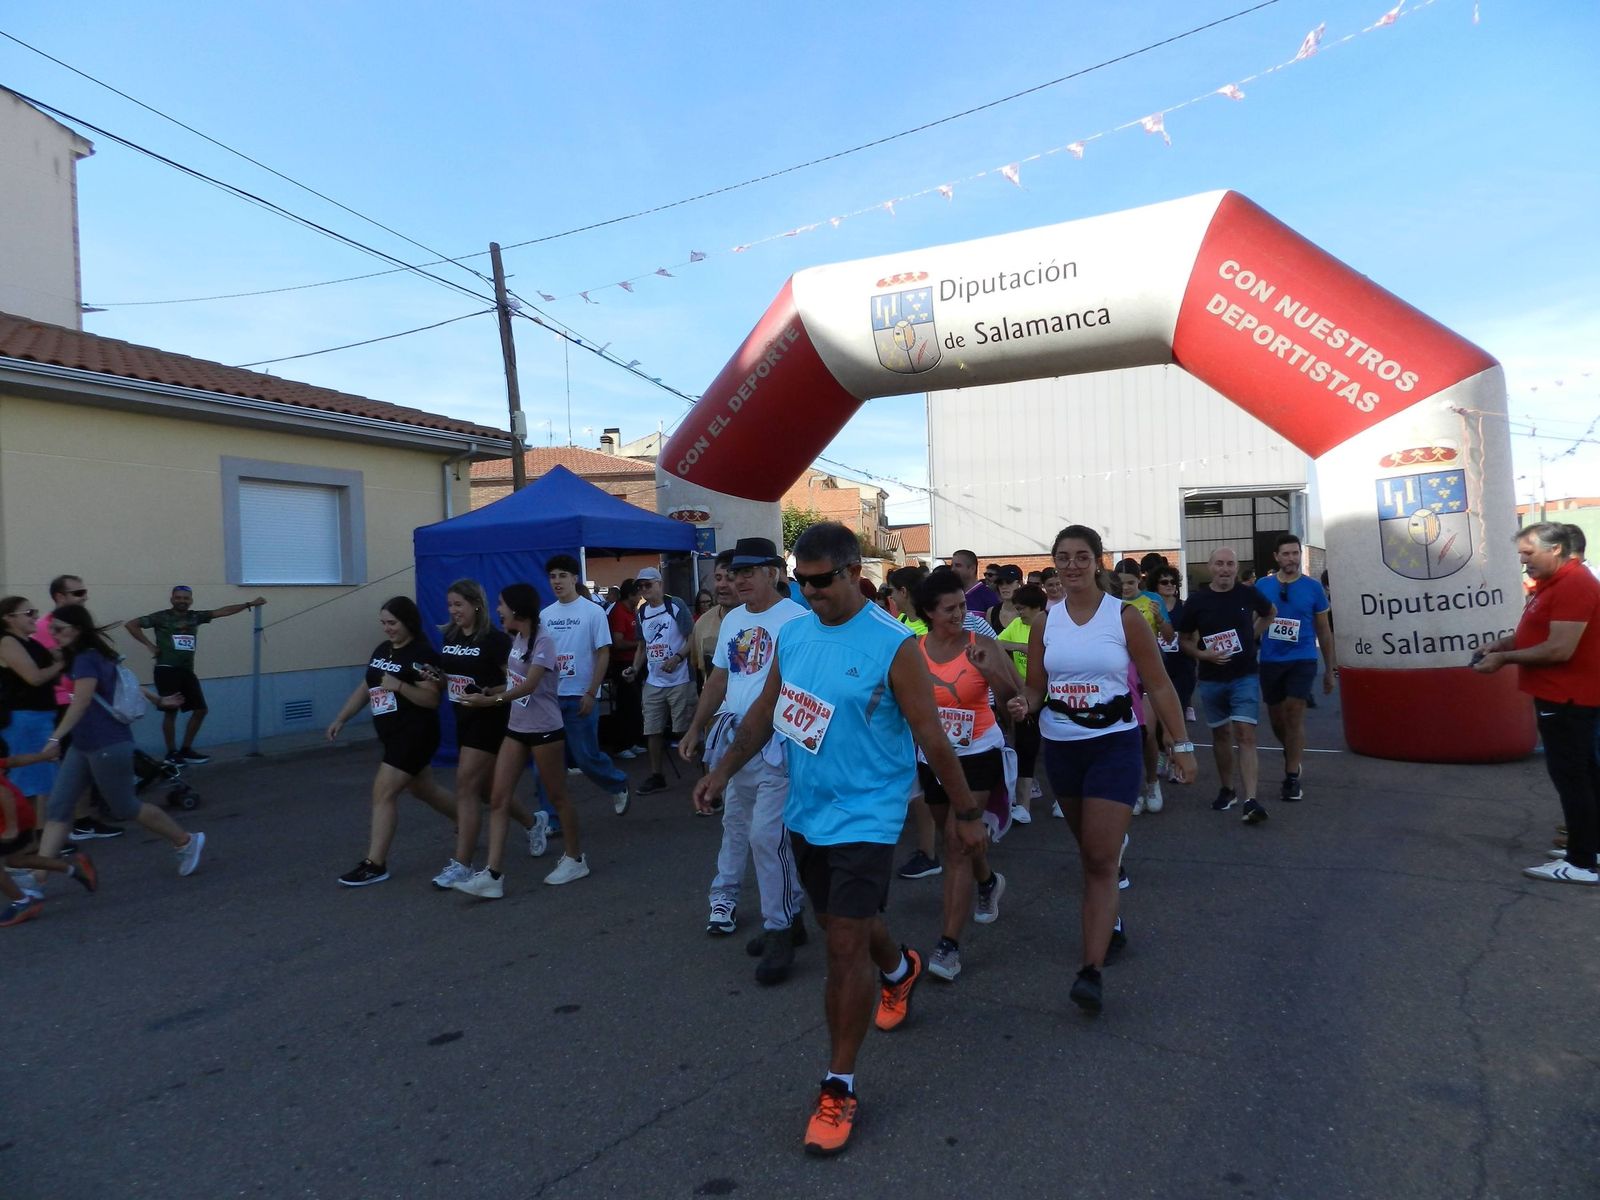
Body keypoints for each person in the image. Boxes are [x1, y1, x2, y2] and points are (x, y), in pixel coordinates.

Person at [693, 522, 985, 1157]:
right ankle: (899, 966)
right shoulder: (794, 635)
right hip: (808, 811)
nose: (810, 591)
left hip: (868, 814)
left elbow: (932, 738)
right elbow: (764, 713)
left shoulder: (892, 645)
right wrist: (720, 772)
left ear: (855, 573)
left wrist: (965, 810)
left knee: (842, 947)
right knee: (839, 924)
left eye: (822, 581)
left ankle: (839, 1083)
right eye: (802, 580)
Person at [1025, 526, 1195, 1014]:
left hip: (1114, 744)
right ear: (1054, 563)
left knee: (1100, 858)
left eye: (1081, 557)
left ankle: (1090, 971)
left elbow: (1159, 686)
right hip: (1061, 747)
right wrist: (1022, 702)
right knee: (1090, 852)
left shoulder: (1123, 617)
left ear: (1098, 561)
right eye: (1063, 557)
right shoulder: (1045, 623)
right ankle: (1112, 919)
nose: (1072, 565)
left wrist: (1180, 745)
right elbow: (1037, 688)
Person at [680, 537, 810, 983]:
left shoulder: (797, 619)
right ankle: (790, 918)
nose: (740, 579)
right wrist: (697, 726)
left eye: (750, 571)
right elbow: (720, 677)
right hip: (735, 743)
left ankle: (779, 928)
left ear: (773, 572)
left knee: (766, 835)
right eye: (736, 572)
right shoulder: (734, 618)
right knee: (741, 826)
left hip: (778, 745)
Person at [33, 605, 207, 882]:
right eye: (51, 628)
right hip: (84, 744)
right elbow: (124, 684)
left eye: (59, 629)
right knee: (58, 808)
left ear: (77, 630)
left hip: (107, 744)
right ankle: (37, 881)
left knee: (125, 807)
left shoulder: (87, 659)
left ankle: (185, 841)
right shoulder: (83, 656)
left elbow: (82, 701)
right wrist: (158, 700)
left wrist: (54, 738)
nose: (53, 633)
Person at [912, 567, 1025, 983]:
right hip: (933, 759)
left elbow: (1015, 696)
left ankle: (948, 945)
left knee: (959, 845)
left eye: (962, 606)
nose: (959, 614)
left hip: (979, 751)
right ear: (928, 612)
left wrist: (990, 671)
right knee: (952, 838)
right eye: (949, 609)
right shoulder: (915, 648)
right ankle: (988, 880)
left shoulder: (983, 643)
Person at [1473, 522, 1600, 885]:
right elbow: (1540, 630)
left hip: (1568, 697)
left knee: (1573, 778)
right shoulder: (1557, 584)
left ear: (1555, 549)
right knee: (1585, 774)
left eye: (1529, 553)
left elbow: (1560, 648)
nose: (1523, 560)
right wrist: (1503, 644)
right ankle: (1589, 847)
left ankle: (1579, 863)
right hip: (1564, 694)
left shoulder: (1575, 584)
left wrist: (1504, 660)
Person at [454, 583, 590, 892]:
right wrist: (493, 691)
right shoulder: (517, 639)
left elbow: (530, 686)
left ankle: (575, 859)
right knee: (499, 798)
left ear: (517, 609)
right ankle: (493, 875)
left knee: (558, 797)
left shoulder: (544, 642)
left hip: (545, 729)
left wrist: (491, 702)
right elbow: (513, 681)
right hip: (517, 728)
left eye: (501, 604)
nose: (497, 609)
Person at [326, 597, 456, 887]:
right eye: (383, 623)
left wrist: (398, 685)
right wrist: (341, 718)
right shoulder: (382, 650)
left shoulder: (423, 654)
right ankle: (468, 821)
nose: (387, 628)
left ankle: (375, 864)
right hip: (392, 735)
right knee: (424, 789)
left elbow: (432, 698)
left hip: (415, 735)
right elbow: (367, 686)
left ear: (408, 622)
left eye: (392, 623)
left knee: (383, 793)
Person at [429, 579, 543, 892]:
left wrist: (488, 695)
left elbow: (516, 681)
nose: (453, 611)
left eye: (459, 605)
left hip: (490, 718)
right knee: (488, 792)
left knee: (465, 785)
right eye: (450, 605)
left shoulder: (494, 639)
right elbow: (449, 677)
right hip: (463, 718)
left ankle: (462, 865)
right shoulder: (451, 635)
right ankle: (534, 822)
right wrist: (436, 677)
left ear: (476, 604)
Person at [1177, 548, 1274, 824]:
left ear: (1236, 568)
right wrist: (1203, 654)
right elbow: (1184, 640)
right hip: (1211, 678)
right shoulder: (1197, 601)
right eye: (1219, 564)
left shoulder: (1248, 593)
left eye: (1230, 564)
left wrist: (1251, 638)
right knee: (1221, 735)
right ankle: (1227, 789)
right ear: (1210, 568)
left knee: (1244, 733)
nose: (1225, 569)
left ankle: (1251, 799)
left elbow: (1270, 613)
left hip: (1244, 675)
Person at [123, 587, 265, 764]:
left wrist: (249, 604)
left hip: (186, 670)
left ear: (191, 600)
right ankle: (171, 753)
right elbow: (131, 624)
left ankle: (186, 750)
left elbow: (222, 611)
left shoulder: (195, 617)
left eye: (185, 598)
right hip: (166, 669)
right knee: (171, 711)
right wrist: (150, 645)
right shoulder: (161, 616)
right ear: (172, 599)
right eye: (178, 597)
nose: (182, 600)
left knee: (200, 710)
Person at [542, 555, 631, 814]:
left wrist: (592, 691)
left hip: (581, 695)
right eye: (552, 576)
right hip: (551, 698)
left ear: (574, 578)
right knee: (548, 762)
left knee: (586, 758)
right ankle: (551, 817)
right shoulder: (545, 615)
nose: (557, 581)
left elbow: (603, 652)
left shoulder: (592, 612)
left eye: (562, 576)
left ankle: (617, 784)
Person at [35, 574, 121, 842]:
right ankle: (48, 834)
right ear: (60, 597)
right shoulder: (46, 627)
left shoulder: (77, 626)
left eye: (84, 592)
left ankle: (81, 822)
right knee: (59, 770)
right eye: (78, 592)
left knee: (84, 764)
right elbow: (63, 665)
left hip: (84, 704)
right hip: (62, 704)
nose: (84, 596)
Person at [1255, 535, 1336, 801]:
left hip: (1302, 659)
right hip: (1270, 660)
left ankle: (1291, 777)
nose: (1291, 559)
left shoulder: (1313, 588)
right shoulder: (1262, 586)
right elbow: (1252, 624)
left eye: (1295, 553)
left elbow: (1324, 631)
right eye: (1286, 554)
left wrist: (1330, 669)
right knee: (1277, 719)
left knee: (1294, 710)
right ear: (1277, 557)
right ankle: (1292, 751)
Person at [1, 734, 97, 925]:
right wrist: (43, 757)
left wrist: (11, 827)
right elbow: (14, 761)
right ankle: (73, 868)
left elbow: (5, 795)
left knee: (13, 860)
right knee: (17, 860)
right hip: (18, 815)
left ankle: (22, 903)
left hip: (12, 818)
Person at [623, 567, 698, 795]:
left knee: (686, 729)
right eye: (641, 586)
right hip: (654, 681)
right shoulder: (642, 612)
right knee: (652, 730)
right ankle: (657, 775)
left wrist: (677, 657)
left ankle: (705, 775)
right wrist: (634, 668)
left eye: (648, 585)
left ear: (659, 584)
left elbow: (692, 637)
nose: (644, 590)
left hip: (681, 679)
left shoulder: (675, 605)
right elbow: (642, 646)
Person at [1, 596, 67, 830]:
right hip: (23, 718)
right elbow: (35, 677)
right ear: (8, 618)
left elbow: (54, 669)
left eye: (35, 612)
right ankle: (24, 841)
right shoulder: (7, 642)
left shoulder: (31, 643)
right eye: (29, 613)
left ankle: (37, 837)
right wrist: (60, 663)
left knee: (42, 781)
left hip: (40, 716)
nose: (35, 617)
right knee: (26, 783)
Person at [996, 583, 1048, 821]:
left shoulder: (1052, 624)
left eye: (1023, 609)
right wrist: (1022, 647)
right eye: (1017, 609)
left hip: (1053, 697)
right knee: (1026, 748)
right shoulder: (1017, 625)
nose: (1019, 613)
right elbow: (997, 643)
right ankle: (1023, 806)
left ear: (1037, 607)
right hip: (1027, 696)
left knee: (1058, 750)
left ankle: (1062, 800)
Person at [1153, 566, 1198, 734]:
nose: (1169, 585)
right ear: (1156, 585)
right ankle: (1165, 748)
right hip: (1158, 665)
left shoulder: (1185, 606)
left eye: (1173, 581)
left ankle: (1178, 746)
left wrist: (1196, 659)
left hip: (1183, 665)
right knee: (1159, 712)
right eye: (1164, 582)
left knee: (1178, 709)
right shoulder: (1150, 606)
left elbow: (1194, 635)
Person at [605, 578, 644, 757]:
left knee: (634, 705)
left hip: (635, 662)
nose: (641, 597)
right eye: (638, 593)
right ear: (631, 594)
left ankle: (632, 740)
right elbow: (618, 642)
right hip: (623, 664)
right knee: (625, 704)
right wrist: (639, 644)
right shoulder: (619, 612)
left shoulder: (632, 611)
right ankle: (621, 745)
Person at [692, 553, 737, 684]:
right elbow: (701, 671)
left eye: (730, 578)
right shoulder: (702, 623)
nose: (722, 584)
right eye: (718, 578)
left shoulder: (759, 621)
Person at [950, 550, 999, 615]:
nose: (953, 569)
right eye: (952, 566)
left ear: (972, 568)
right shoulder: (950, 594)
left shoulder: (989, 597)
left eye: (958, 565)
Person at [985, 564, 1024, 633]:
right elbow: (988, 641)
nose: (1004, 587)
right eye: (1000, 583)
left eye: (1009, 582)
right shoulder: (992, 612)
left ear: (1020, 583)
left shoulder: (1029, 611)